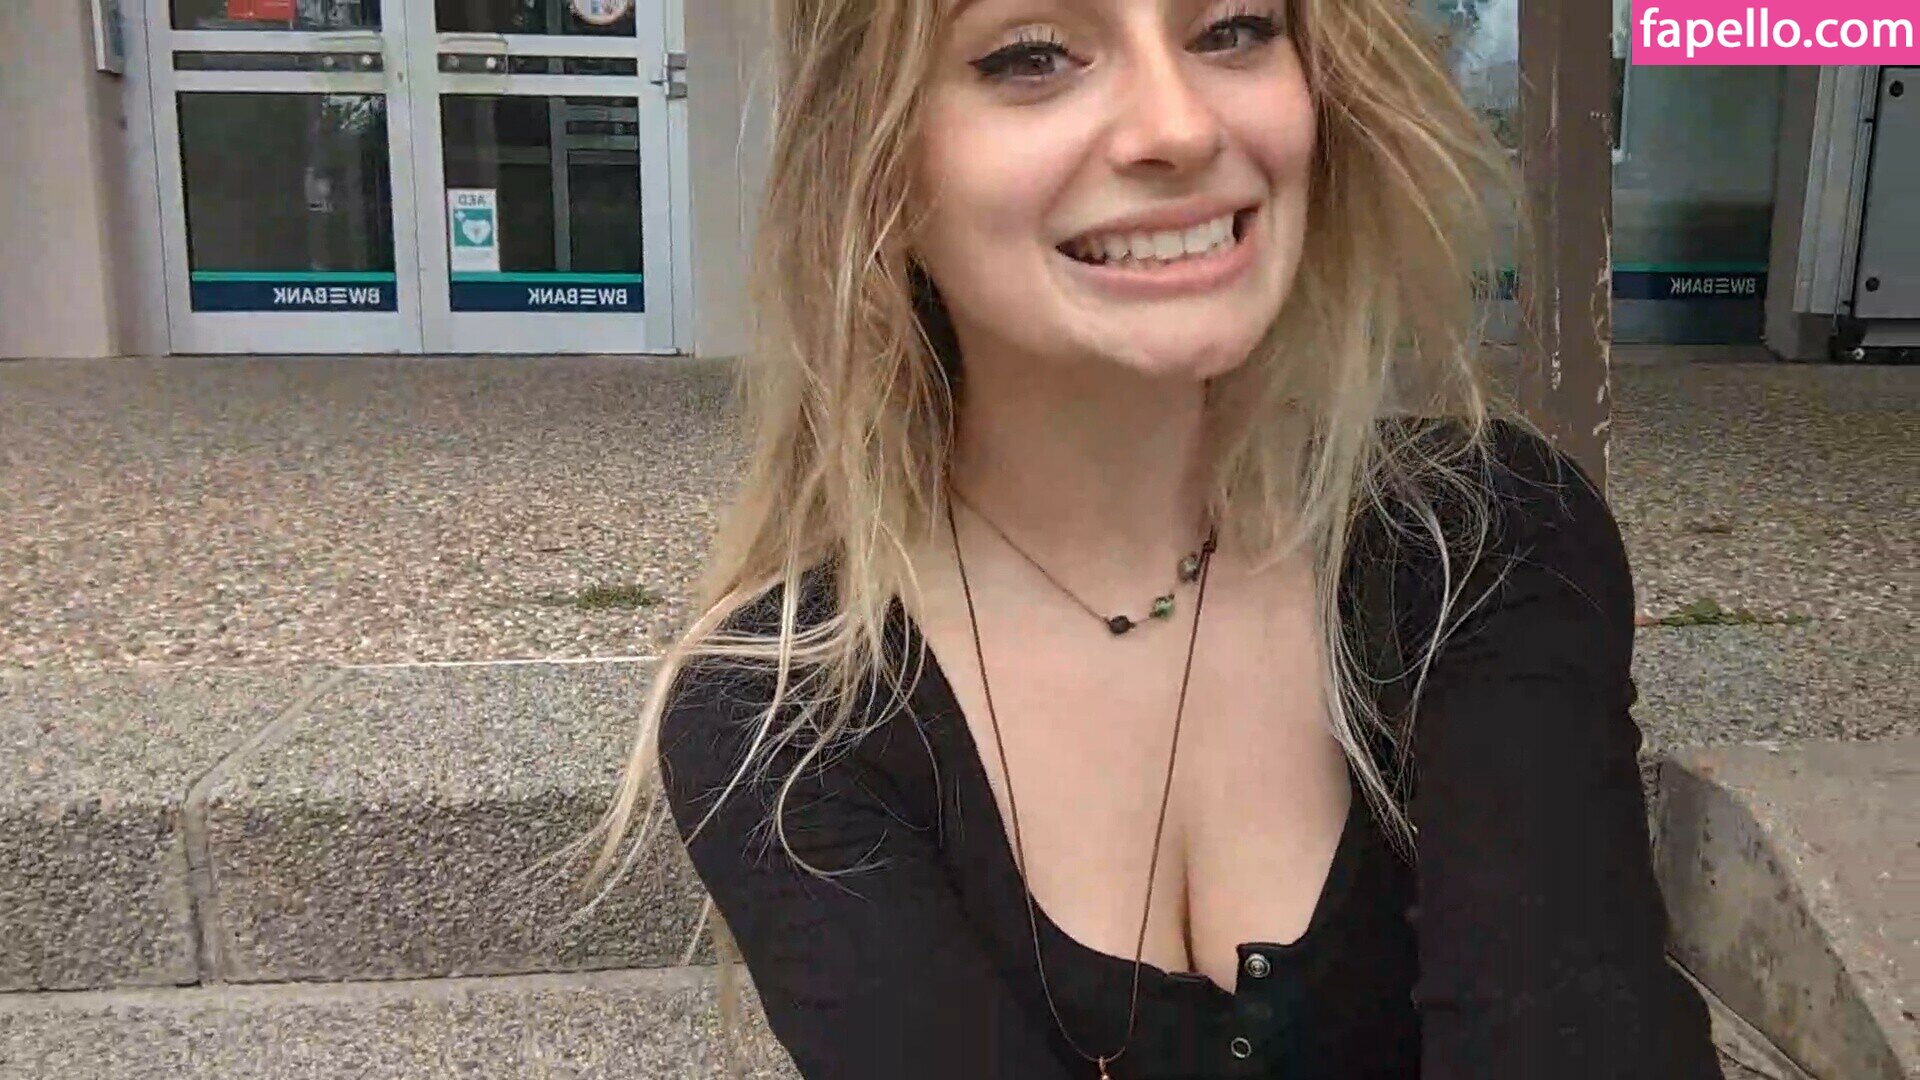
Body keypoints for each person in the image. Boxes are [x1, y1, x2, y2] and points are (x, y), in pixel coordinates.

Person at [586, 0, 1722, 1076]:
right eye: (1032, 54)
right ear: (874, 159)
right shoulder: (783, 717)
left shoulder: (1481, 538)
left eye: (1232, 29)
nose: (1179, 126)